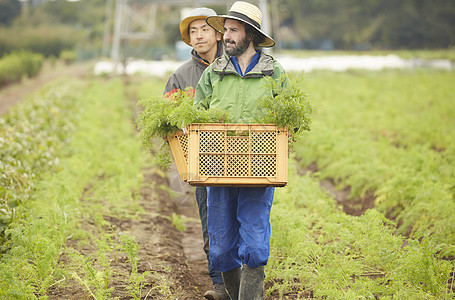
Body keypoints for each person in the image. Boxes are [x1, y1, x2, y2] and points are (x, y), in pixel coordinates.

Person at [194, 2, 287, 299]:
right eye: (226, 30)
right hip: (218, 171)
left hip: (258, 170)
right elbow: (197, 114)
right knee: (221, 247)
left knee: (255, 245)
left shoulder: (273, 72)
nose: (227, 36)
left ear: (251, 34)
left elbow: (289, 118)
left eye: (234, 30)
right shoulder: (214, 73)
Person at [163, 7, 228, 300]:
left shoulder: (237, 66)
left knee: (242, 223)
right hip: (203, 165)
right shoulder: (181, 76)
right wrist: (182, 127)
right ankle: (220, 285)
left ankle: (242, 283)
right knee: (212, 224)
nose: (198, 35)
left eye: (203, 29)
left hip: (239, 159)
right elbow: (166, 121)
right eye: (192, 31)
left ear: (218, 33)